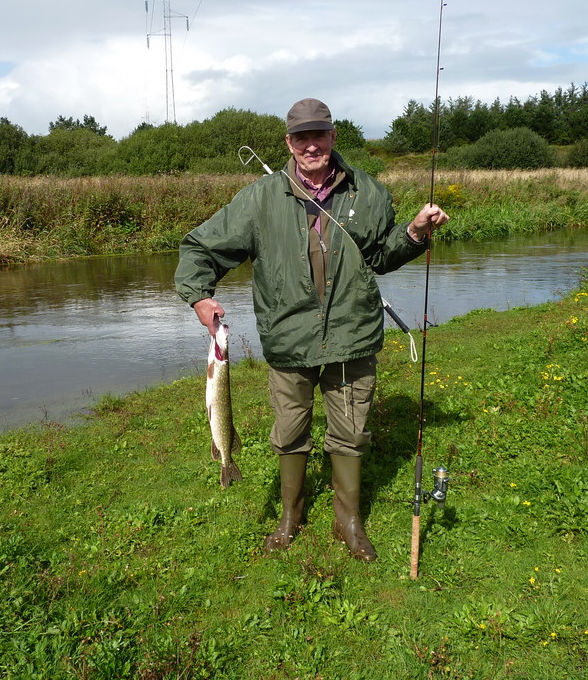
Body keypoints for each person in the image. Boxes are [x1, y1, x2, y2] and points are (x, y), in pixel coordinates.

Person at [175, 98, 449, 562]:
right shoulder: (260, 198)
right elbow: (200, 247)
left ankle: (349, 522)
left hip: (351, 337)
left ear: (332, 136)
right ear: (289, 142)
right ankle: (291, 517)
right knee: (289, 432)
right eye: (301, 137)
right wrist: (200, 296)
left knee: (351, 431)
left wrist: (415, 232)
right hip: (289, 339)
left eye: (318, 135)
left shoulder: (369, 192)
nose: (311, 145)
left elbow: (381, 257)